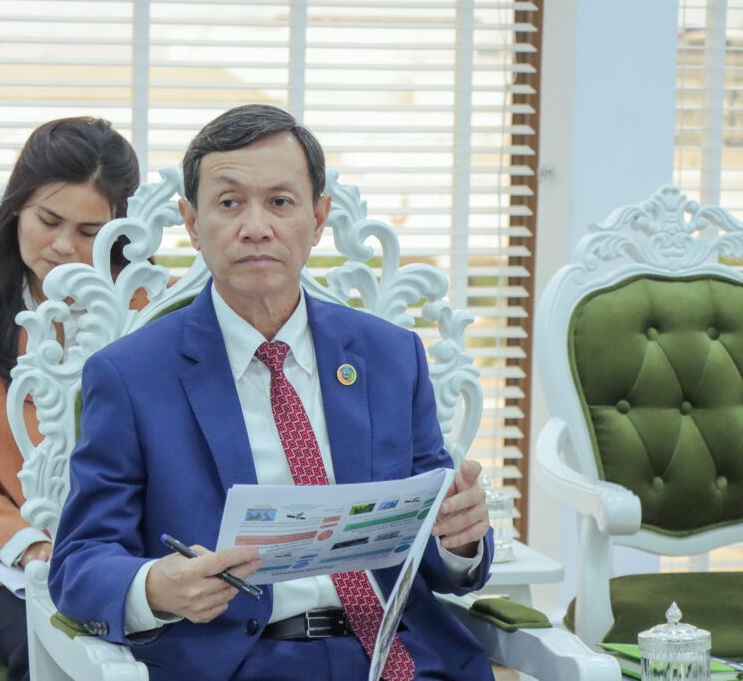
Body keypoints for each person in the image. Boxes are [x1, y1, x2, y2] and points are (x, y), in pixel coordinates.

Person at [49, 104, 495, 681]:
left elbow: (429, 546)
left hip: (402, 657)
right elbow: (80, 562)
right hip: (240, 663)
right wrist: (156, 586)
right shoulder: (131, 376)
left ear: (319, 217)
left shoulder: (390, 356)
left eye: (280, 202)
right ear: (192, 222)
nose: (255, 226)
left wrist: (460, 541)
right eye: (229, 203)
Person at [0, 116, 142, 681]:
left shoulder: (143, 303)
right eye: (49, 220)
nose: (63, 245)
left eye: (89, 231)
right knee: (46, 653)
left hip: (118, 549)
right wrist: (30, 545)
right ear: (18, 207)